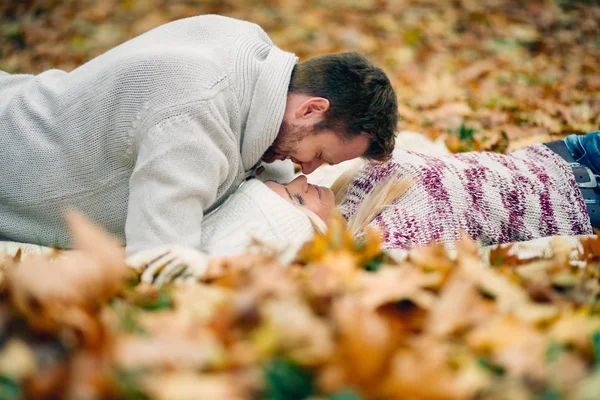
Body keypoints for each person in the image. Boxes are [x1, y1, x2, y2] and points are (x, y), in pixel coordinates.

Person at [0, 14, 398, 255]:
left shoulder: (247, 48)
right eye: (320, 155)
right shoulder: (196, 116)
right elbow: (159, 257)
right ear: (311, 109)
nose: (307, 170)